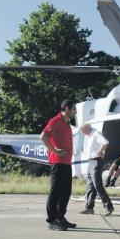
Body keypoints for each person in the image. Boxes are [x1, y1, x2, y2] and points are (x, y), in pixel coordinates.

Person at [40, 99, 77, 231]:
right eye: (74, 109)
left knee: (66, 192)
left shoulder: (67, 123)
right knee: (55, 192)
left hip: (66, 163)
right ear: (67, 109)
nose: (76, 112)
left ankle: (60, 217)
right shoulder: (55, 121)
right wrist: (55, 150)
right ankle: (52, 220)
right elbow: (43, 136)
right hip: (57, 162)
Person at [79, 124, 114, 216]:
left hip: (96, 161)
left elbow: (106, 142)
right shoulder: (90, 136)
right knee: (90, 185)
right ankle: (89, 208)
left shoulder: (96, 133)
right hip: (90, 161)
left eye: (82, 131)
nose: (83, 133)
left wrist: (100, 151)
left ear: (86, 128)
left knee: (97, 185)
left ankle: (109, 207)